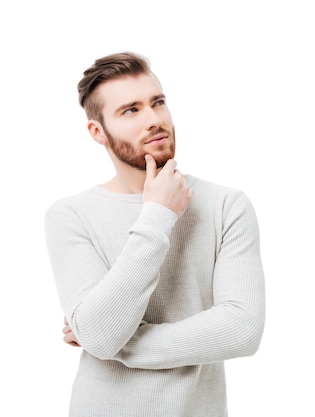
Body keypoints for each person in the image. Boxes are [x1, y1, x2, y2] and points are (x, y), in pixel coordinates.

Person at [44, 51, 266, 417]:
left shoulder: (226, 205)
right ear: (98, 132)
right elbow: (99, 334)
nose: (154, 119)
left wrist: (117, 345)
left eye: (158, 102)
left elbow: (242, 328)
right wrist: (158, 215)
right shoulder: (70, 215)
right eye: (131, 110)